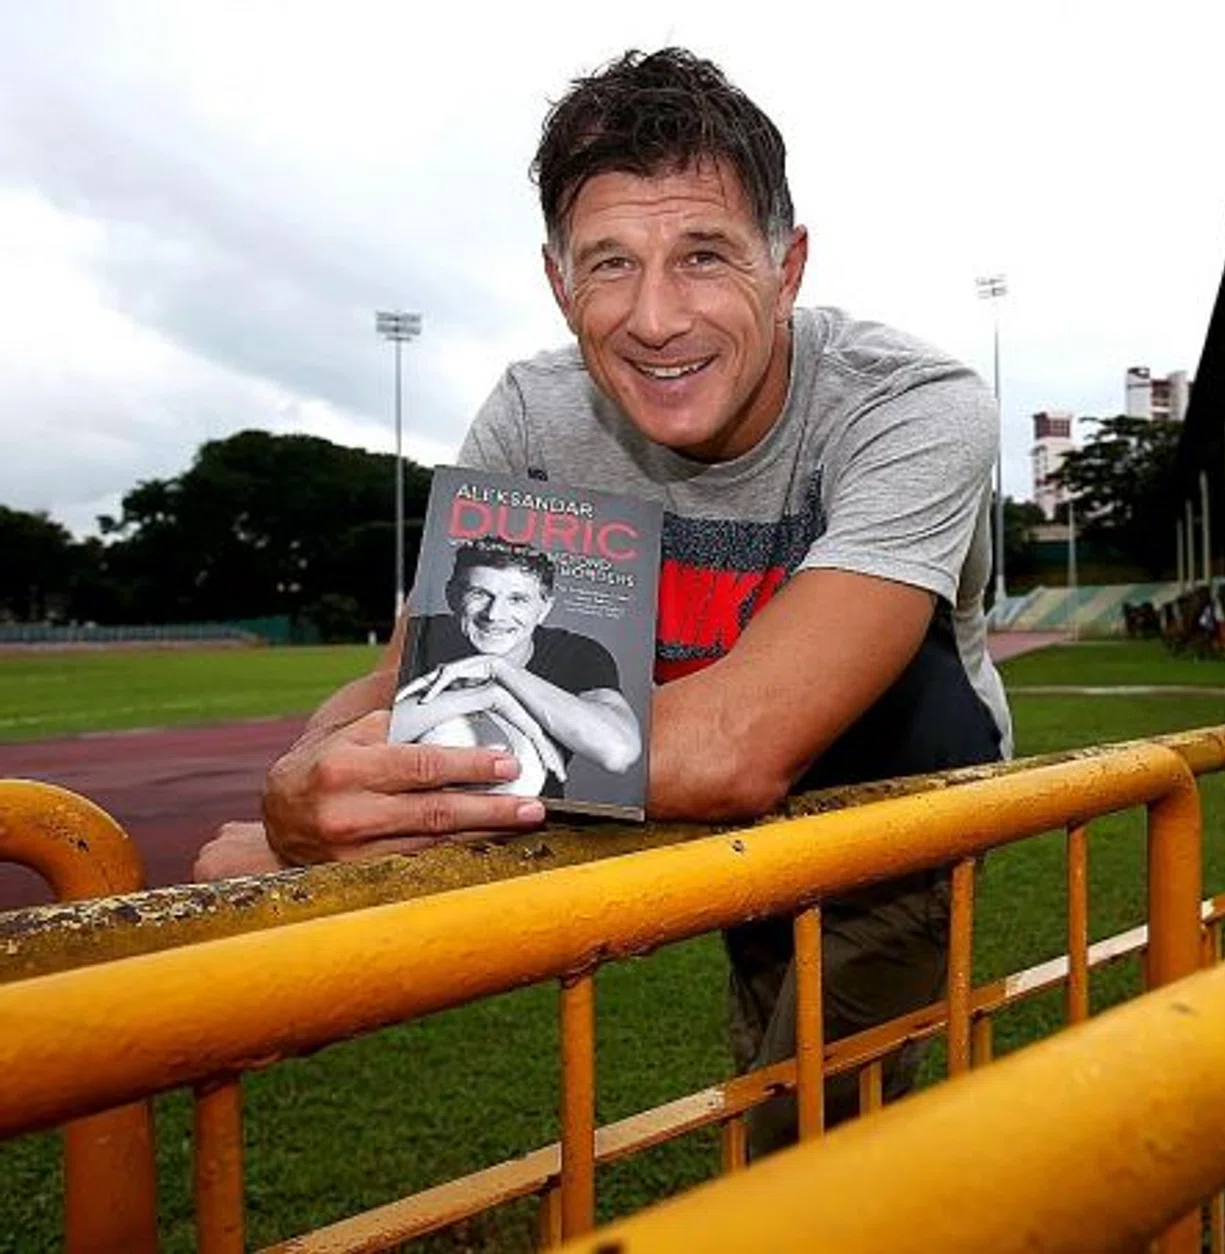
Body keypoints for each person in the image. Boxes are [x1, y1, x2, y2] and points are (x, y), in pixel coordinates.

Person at [194, 47, 1010, 1156]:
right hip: (677, 787)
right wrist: (304, 784)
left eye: (704, 256)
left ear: (788, 267)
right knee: (765, 1053)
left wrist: (406, 797)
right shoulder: (538, 416)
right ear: (557, 282)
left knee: (811, 1132)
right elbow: (403, 681)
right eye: (611, 264)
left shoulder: (909, 404)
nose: (656, 318)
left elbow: (734, 749)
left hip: (895, 808)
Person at [393, 540, 641, 801]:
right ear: (452, 596)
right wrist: (487, 696)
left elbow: (618, 752)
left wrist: (499, 669)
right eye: (479, 593)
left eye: (517, 599)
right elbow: (378, 734)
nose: (494, 615)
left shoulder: (576, 653)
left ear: (544, 608)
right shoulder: (421, 635)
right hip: (417, 811)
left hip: (535, 818)